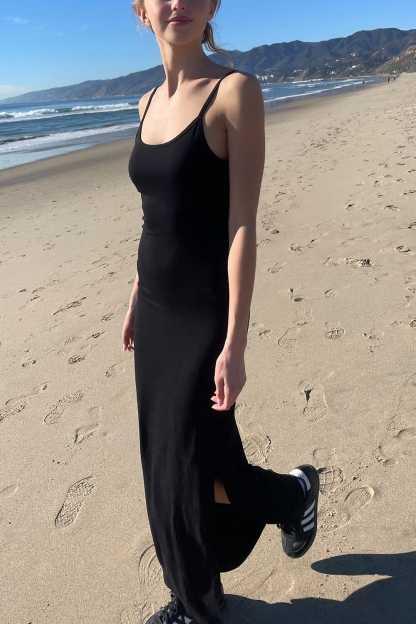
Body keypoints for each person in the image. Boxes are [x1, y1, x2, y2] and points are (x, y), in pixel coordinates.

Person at [123, 1, 320, 623]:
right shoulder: (145, 104)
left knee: (182, 465)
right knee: (182, 460)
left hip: (204, 312)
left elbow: (241, 226)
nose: (178, 2)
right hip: (155, 311)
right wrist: (135, 295)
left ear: (212, 6)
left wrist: (235, 341)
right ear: (142, 11)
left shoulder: (234, 92)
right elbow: (157, 219)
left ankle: (194, 606)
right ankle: (292, 496)